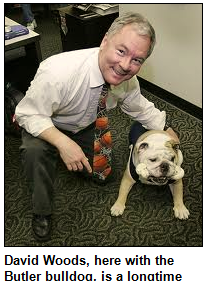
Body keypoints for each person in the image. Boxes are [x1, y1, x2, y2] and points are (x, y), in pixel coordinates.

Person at [15, 12, 167, 241]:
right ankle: (42, 212)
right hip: (47, 123)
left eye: (137, 60)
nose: (125, 65)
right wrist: (62, 142)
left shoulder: (127, 80)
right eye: (121, 51)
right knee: (34, 150)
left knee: (103, 176)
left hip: (85, 126)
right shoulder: (58, 72)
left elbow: (139, 107)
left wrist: (166, 127)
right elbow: (29, 113)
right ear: (105, 41)